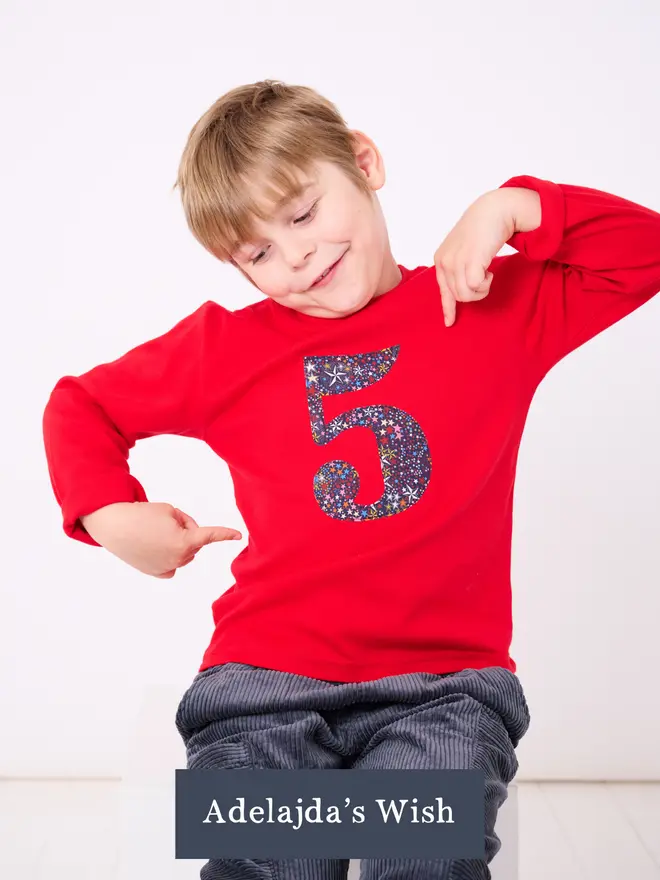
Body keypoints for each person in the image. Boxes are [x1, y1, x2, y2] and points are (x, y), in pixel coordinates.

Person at [41, 79, 660, 879]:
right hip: (260, 685)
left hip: (446, 691)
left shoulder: (487, 308)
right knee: (272, 861)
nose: (295, 254)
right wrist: (108, 513)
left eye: (301, 214)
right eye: (258, 252)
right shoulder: (225, 348)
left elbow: (643, 252)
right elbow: (80, 404)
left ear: (363, 162)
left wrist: (514, 206)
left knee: (422, 856)